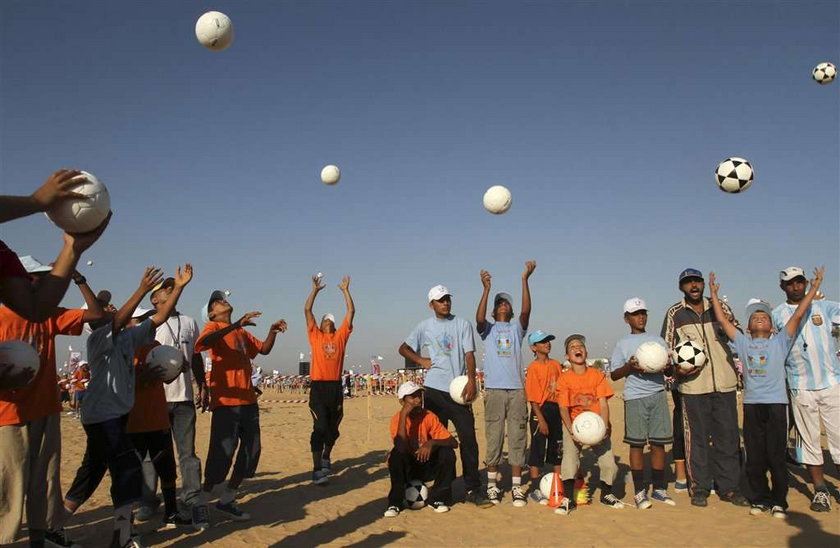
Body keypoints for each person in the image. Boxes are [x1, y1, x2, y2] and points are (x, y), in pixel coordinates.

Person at [63, 265, 190, 548]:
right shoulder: (99, 338)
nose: (111, 308)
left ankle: (53, 525)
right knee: (128, 471)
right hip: (102, 416)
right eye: (105, 308)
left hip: (114, 416)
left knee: (91, 474)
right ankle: (122, 537)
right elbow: (117, 320)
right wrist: (142, 289)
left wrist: (179, 288)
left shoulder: (127, 337)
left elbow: (160, 316)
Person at [0, 259, 106, 548]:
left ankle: (40, 539)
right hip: (8, 415)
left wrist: (78, 278)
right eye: (35, 279)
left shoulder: (47, 315)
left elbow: (96, 314)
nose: (41, 284)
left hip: (45, 411)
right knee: (8, 484)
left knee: (44, 483)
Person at [711, 269, 823, 519]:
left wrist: (814, 288)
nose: (760, 319)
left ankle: (778, 501)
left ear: (772, 327)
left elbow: (798, 314)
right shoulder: (742, 342)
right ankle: (759, 499)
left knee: (776, 456)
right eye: (755, 317)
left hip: (776, 406)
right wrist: (714, 294)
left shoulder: (780, 341)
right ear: (748, 327)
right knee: (755, 457)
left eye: (764, 317)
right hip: (752, 406)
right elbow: (722, 321)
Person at [193, 290, 287, 529]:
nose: (224, 301)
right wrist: (236, 323)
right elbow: (202, 344)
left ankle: (227, 499)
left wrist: (272, 331)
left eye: (223, 299)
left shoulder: (241, 332)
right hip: (226, 403)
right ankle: (201, 503)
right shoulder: (212, 328)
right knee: (221, 454)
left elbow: (263, 350)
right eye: (218, 301)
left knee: (251, 452)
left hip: (248, 402)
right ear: (212, 313)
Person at [661, 268, 748, 508]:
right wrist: (677, 372)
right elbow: (666, 352)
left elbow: (738, 336)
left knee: (728, 437)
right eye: (688, 283)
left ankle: (729, 487)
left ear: (703, 284)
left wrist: (724, 318)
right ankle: (699, 487)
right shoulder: (674, 314)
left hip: (725, 383)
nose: (693, 286)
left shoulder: (720, 307)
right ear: (682, 288)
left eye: (697, 281)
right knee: (696, 440)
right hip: (692, 388)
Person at [399, 285, 492, 507]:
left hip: (458, 391)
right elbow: (403, 348)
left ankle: (473, 488)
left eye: (448, 299)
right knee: (438, 442)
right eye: (440, 300)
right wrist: (421, 360)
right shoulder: (424, 326)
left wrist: (472, 381)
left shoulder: (462, 324)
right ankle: (442, 491)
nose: (445, 303)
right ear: (432, 304)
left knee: (468, 439)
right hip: (433, 391)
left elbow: (469, 355)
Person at [135, 277, 207, 527]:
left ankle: (191, 497)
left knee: (188, 454)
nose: (168, 290)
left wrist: (203, 384)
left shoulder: (189, 322)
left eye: (170, 287)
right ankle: (148, 500)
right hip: (156, 400)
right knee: (151, 456)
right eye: (163, 289)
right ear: (154, 299)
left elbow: (196, 355)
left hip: (184, 398)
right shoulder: (148, 324)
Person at [772, 266, 840, 512]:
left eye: (800, 282)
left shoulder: (825, 306)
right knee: (809, 442)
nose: (796, 287)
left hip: (832, 383)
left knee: (839, 439)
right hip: (800, 386)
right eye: (790, 283)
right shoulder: (777, 314)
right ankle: (820, 491)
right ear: (783, 287)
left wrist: (818, 290)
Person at [475, 261, 535, 506]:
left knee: (518, 437)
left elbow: (526, 312)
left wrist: (525, 280)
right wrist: (486, 290)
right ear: (493, 311)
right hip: (495, 390)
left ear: (510, 311)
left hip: (517, 390)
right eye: (499, 303)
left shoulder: (516, 329)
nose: (503, 305)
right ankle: (492, 486)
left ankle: (517, 488)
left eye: (506, 302)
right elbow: (478, 318)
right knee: (494, 436)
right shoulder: (487, 329)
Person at [608, 298, 675, 509]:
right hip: (635, 397)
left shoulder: (658, 341)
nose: (641, 317)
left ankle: (660, 489)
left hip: (657, 394)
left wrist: (666, 366)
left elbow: (670, 371)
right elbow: (615, 374)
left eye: (643, 312)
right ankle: (639, 492)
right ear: (627, 318)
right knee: (636, 445)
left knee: (658, 443)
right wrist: (630, 367)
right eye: (636, 313)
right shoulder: (622, 344)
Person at [127, 327, 193, 530]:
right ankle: (127, 528)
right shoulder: (124, 347)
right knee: (131, 475)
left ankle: (171, 513)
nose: (149, 327)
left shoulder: (155, 347)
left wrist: (178, 369)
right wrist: (140, 380)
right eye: (141, 322)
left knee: (167, 470)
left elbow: (165, 378)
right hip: (133, 421)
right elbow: (119, 382)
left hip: (158, 419)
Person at [557, 334, 621, 515]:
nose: (577, 348)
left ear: (586, 352)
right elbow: (563, 408)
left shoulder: (597, 375)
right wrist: (570, 430)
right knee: (569, 461)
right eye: (572, 347)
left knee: (609, 463)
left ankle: (606, 495)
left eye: (580, 346)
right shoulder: (565, 379)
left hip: (596, 424)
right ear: (567, 357)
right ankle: (568, 499)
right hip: (574, 423)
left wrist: (606, 426)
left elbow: (603, 403)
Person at [304, 275, 355, 485]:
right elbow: (307, 311)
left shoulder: (340, 337)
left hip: (335, 387)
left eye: (331, 321)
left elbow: (351, 312)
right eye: (326, 320)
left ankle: (326, 456)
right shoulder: (315, 336)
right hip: (318, 387)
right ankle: (316, 469)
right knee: (320, 427)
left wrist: (345, 290)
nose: (328, 322)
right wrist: (315, 291)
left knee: (333, 429)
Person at [384, 381, 458, 517]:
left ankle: (437, 499)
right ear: (402, 401)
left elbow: (453, 443)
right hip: (409, 468)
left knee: (447, 453)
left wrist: (431, 443)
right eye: (412, 397)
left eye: (419, 396)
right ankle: (395, 502)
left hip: (427, 465)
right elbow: (400, 447)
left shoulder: (429, 416)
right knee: (395, 455)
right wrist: (404, 415)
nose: (418, 400)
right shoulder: (397, 419)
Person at [523, 330, 564, 507]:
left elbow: (561, 388)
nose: (547, 344)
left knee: (557, 446)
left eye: (548, 340)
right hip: (540, 409)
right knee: (538, 447)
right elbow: (532, 397)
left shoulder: (555, 364)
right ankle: (534, 488)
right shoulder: (533, 368)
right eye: (542, 342)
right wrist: (540, 419)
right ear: (534, 347)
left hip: (555, 408)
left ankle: (558, 483)